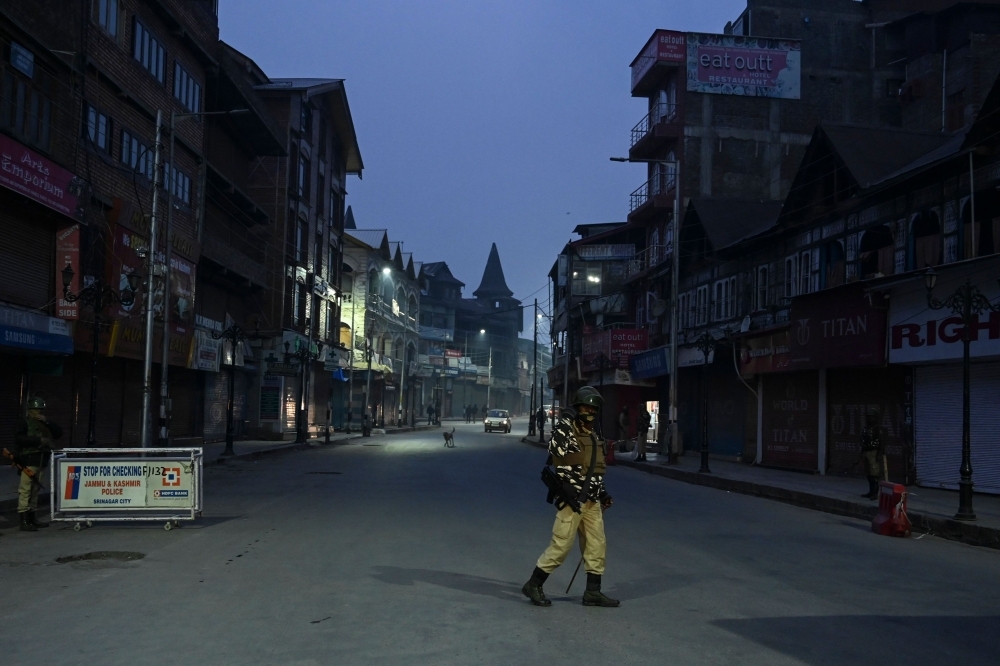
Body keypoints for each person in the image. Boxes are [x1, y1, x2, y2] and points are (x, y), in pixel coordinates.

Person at [522, 386, 619, 608]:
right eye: (586, 407)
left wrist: (602, 492)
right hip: (572, 502)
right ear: (577, 408)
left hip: (592, 501)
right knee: (561, 547)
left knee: (597, 545)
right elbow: (555, 449)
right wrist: (565, 420)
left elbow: (594, 468)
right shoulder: (567, 431)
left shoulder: (593, 435)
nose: (591, 411)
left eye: (594, 408)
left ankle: (593, 592)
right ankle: (533, 585)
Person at [14, 397, 62, 531]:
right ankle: (24, 520)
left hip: (42, 459)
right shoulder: (24, 422)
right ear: (29, 410)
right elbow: (19, 439)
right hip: (29, 460)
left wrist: (47, 421)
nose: (37, 412)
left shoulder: (44, 423)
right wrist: (38, 440)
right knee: (25, 489)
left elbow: (58, 433)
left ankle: (32, 517)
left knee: (35, 489)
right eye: (35, 409)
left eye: (40, 410)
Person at [859, 412, 886, 500]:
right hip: (866, 451)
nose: (869, 419)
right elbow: (863, 442)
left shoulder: (878, 429)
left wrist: (879, 454)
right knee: (868, 473)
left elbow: (882, 443)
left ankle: (875, 493)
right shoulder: (865, 429)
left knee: (874, 474)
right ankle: (871, 492)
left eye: (871, 417)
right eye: (868, 417)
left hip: (874, 452)